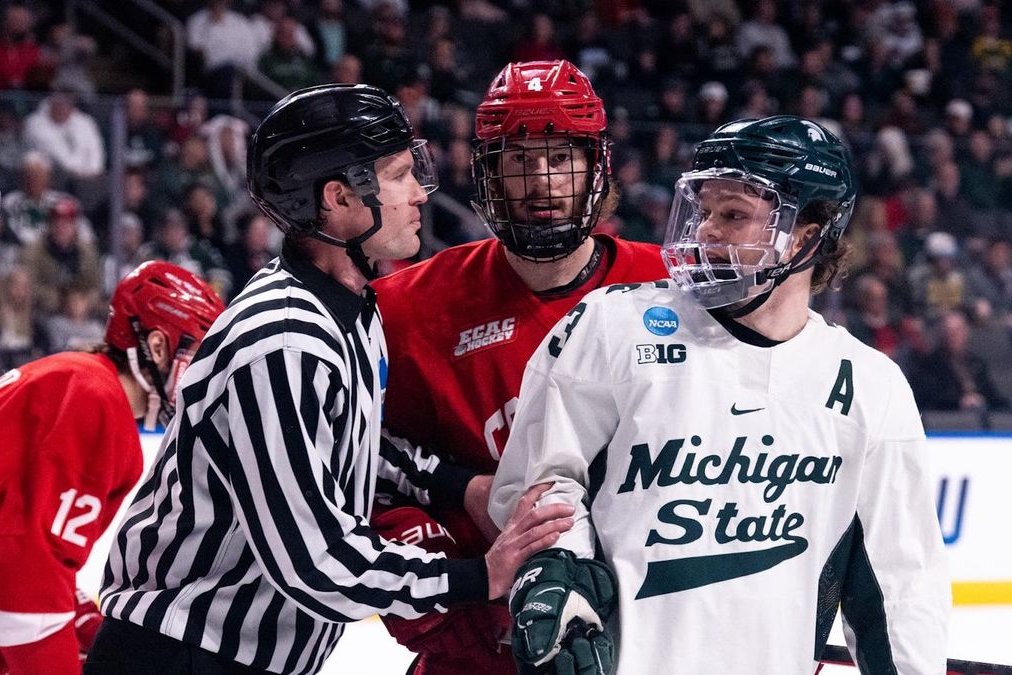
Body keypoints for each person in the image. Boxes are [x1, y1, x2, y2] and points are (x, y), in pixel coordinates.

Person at [88, 84, 573, 675]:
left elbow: (349, 441)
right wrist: (480, 576)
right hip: (182, 658)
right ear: (339, 197)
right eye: (398, 176)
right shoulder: (283, 339)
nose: (420, 192)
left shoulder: (349, 307)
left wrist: (453, 485)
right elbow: (314, 560)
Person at [491, 116, 950, 674]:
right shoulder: (614, 325)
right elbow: (539, 481)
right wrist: (559, 571)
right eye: (702, 210)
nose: (706, 230)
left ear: (807, 235)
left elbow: (901, 586)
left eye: (734, 215)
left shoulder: (869, 384)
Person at [370, 59, 666, 675]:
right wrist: (458, 498)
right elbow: (350, 452)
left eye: (560, 159)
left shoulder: (675, 291)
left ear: (595, 167)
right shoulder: (407, 307)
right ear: (487, 176)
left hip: (648, 644)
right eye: (518, 161)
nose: (541, 182)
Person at [0, 261, 225, 675]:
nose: (209, 380)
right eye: (198, 358)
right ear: (158, 346)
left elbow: (25, 540)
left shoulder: (80, 379)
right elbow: (23, 594)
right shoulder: (94, 402)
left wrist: (80, 616)